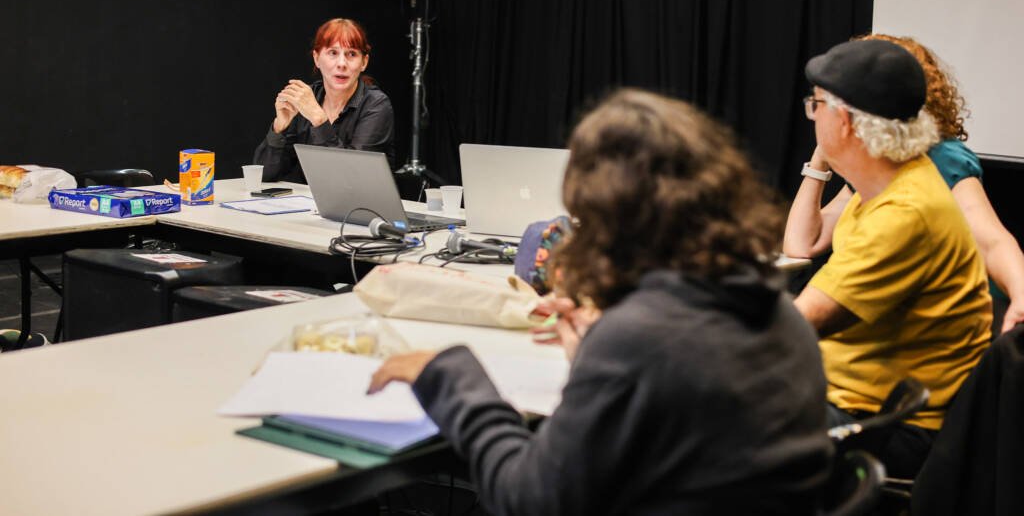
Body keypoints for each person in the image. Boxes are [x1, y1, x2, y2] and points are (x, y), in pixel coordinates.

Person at [369, 89, 832, 515]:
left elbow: (528, 499)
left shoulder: (636, 339)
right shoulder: (776, 312)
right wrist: (597, 349)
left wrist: (454, 377)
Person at [790, 38, 992, 479]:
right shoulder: (889, 184)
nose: (812, 115)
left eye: (816, 105)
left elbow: (796, 324)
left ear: (844, 121)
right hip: (853, 399)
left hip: (880, 426)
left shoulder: (904, 213)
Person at [784, 34, 1024, 335]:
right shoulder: (877, 169)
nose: (813, 115)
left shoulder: (932, 167)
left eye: (817, 105)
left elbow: (991, 242)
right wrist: (823, 156)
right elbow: (803, 243)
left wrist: (1020, 294)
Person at [253, 18, 394, 183]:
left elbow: (352, 180)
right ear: (316, 58)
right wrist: (279, 128)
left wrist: (318, 119)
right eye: (333, 53)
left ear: (364, 62)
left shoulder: (376, 105)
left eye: (352, 54)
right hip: (310, 199)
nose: (342, 63)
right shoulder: (306, 98)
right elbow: (264, 175)